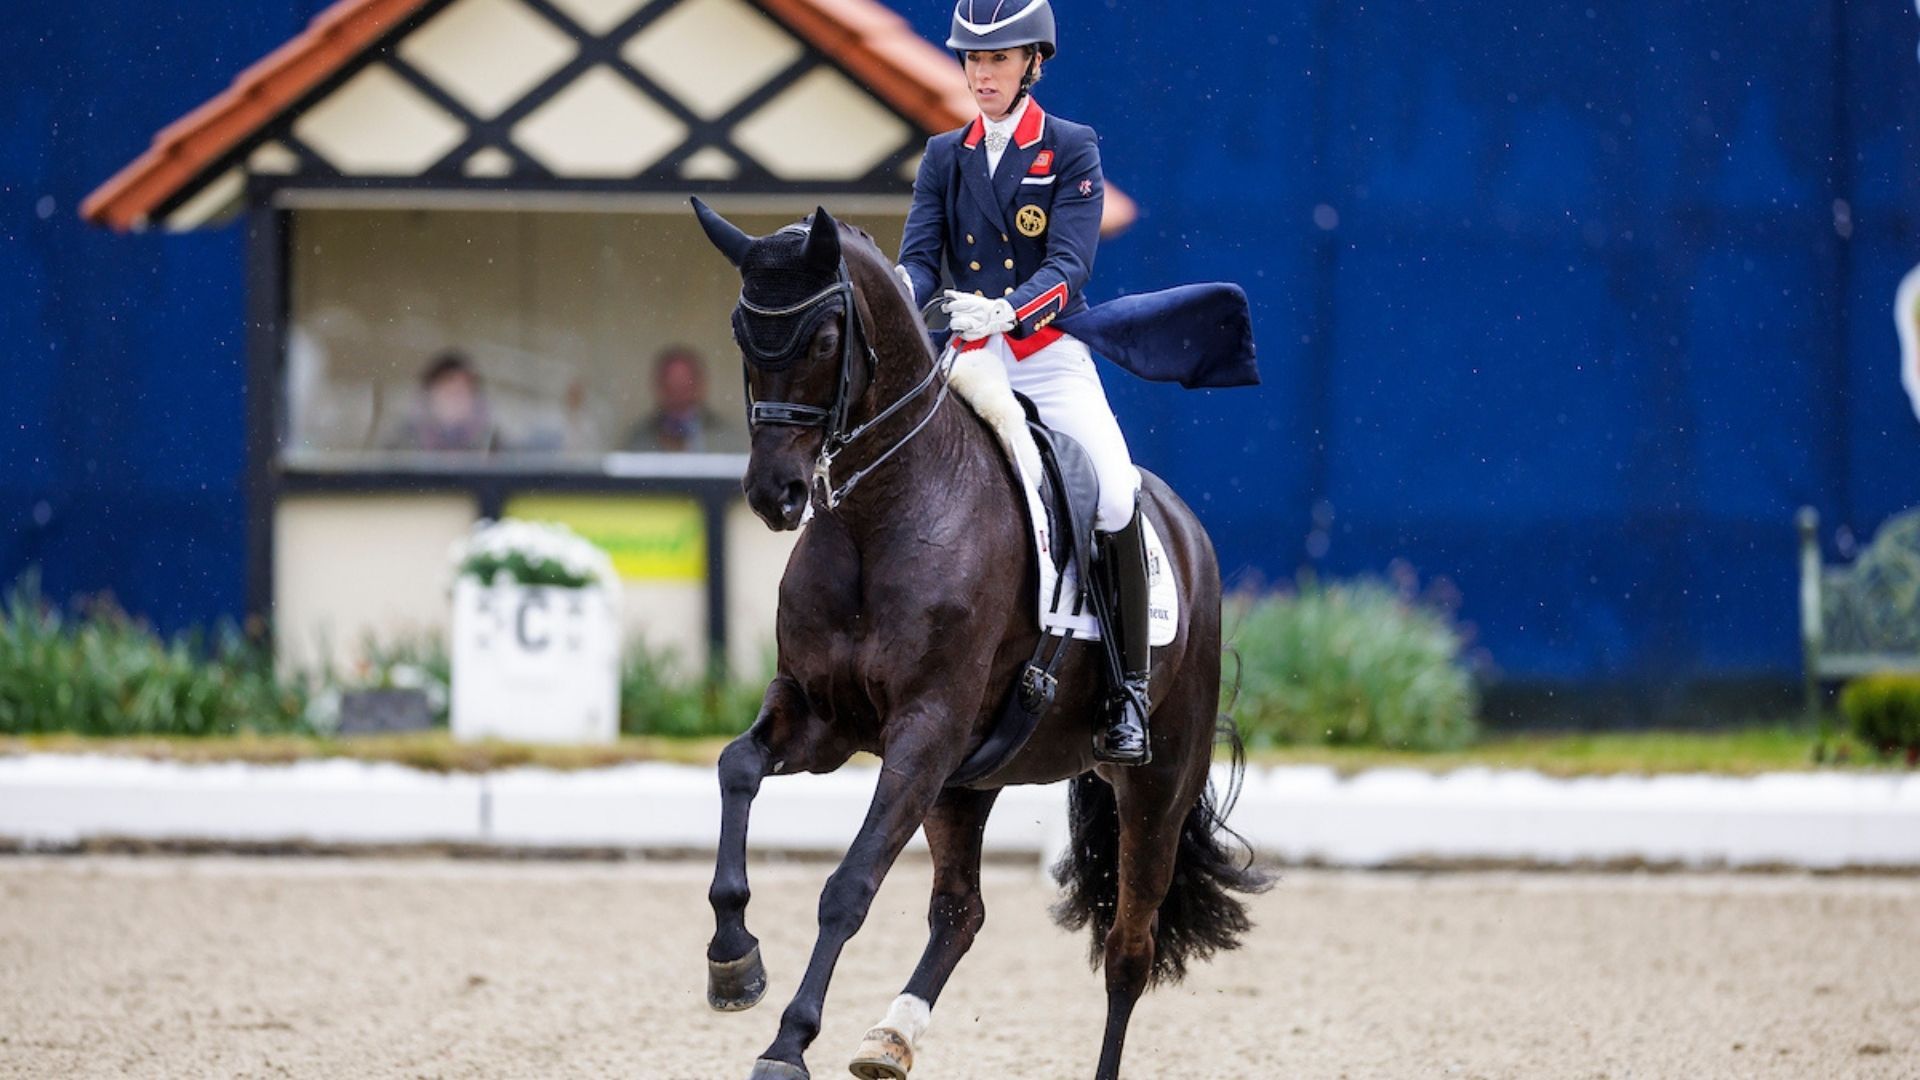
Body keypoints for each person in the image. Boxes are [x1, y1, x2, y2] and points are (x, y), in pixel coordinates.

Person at [895, 0, 1152, 765]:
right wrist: (894, 295)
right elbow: (917, 258)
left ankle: (1127, 690)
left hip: (1044, 352)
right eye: (973, 60)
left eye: (997, 59)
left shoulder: (1071, 149)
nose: (981, 74)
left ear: (1031, 63)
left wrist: (1008, 308)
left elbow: (1068, 270)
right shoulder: (945, 155)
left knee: (1112, 492)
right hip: (969, 357)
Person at [386, 350, 501, 453]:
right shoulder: (400, 444)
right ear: (429, 395)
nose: (455, 399)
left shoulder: (495, 445)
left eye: (462, 391)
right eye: (448, 390)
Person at [624, 346, 727, 452]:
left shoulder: (724, 436)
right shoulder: (640, 438)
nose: (678, 395)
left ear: (700, 385)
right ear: (659, 386)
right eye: (671, 386)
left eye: (684, 386)